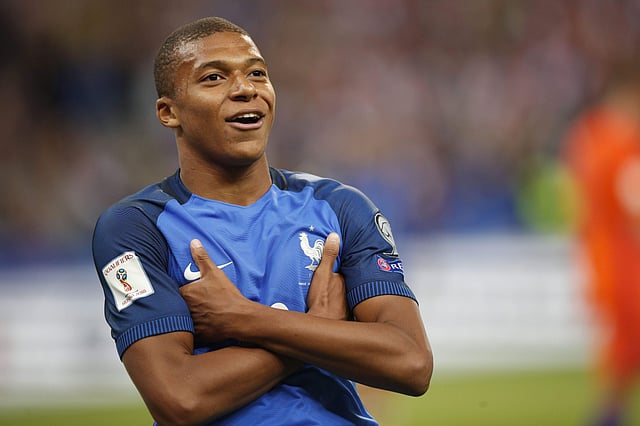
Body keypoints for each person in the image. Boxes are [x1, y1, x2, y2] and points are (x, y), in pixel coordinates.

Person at [92, 16, 433, 425]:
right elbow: (179, 399)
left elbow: (412, 364)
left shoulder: (340, 207)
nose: (245, 89)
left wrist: (245, 318)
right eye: (214, 78)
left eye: (257, 73)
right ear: (169, 112)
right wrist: (316, 329)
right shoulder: (136, 228)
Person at [563, 64, 640, 426]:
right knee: (624, 344)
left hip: (601, 257)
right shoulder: (619, 142)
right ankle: (608, 415)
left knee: (622, 347)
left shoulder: (586, 135)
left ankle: (609, 413)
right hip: (621, 261)